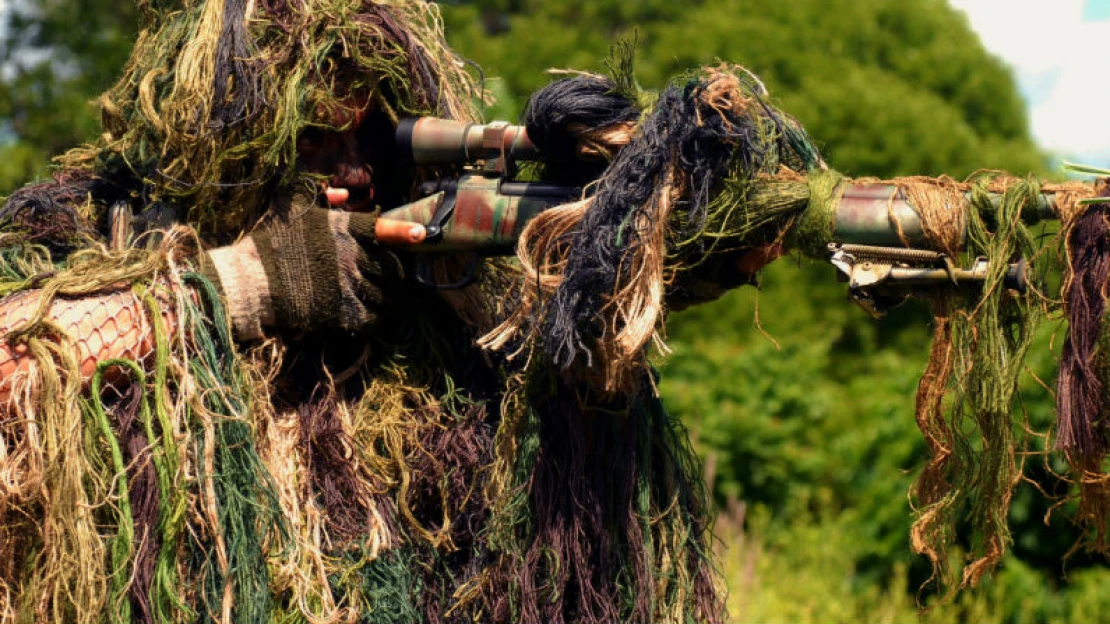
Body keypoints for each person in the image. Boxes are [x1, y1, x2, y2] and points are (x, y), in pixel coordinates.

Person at [0, 2, 795, 622]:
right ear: (221, 142)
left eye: (370, 139)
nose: (347, 173)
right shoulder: (83, 229)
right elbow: (20, 368)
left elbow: (556, 513)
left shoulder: (417, 311)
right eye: (310, 141)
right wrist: (246, 284)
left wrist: (622, 287)